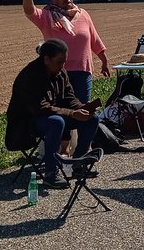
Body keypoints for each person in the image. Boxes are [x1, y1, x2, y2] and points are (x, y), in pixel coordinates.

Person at [7, 38, 100, 189]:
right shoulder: (30, 76)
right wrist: (72, 113)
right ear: (46, 59)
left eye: (64, 62)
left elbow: (69, 97)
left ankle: (78, 164)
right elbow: (40, 108)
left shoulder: (60, 72)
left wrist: (83, 109)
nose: (63, 66)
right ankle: (51, 173)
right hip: (27, 123)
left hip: (52, 117)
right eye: (59, 62)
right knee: (57, 122)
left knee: (92, 119)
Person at [19, 0, 111, 105]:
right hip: (56, 72)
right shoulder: (47, 16)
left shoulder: (83, 14)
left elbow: (94, 40)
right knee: (60, 108)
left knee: (82, 107)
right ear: (53, 0)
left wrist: (104, 62)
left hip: (82, 72)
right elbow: (30, 11)